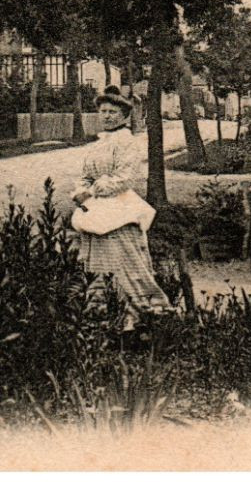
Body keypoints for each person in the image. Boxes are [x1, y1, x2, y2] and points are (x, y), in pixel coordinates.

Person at [67, 88, 173, 327]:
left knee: (124, 260)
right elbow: (85, 174)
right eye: (103, 111)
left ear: (125, 115)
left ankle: (136, 315)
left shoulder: (127, 142)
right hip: (95, 209)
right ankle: (101, 313)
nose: (106, 116)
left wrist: (92, 191)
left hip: (118, 209)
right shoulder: (98, 143)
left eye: (113, 112)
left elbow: (125, 177)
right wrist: (80, 191)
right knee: (95, 262)